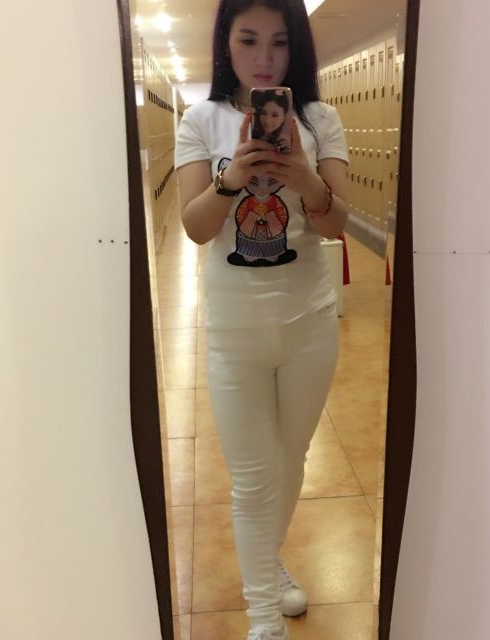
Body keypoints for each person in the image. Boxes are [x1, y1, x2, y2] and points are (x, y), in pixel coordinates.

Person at [174, 1, 349, 638]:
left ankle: (268, 564)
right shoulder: (200, 120)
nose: (265, 58)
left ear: (296, 46)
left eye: (279, 42)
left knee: (291, 459)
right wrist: (230, 182)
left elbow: (334, 224)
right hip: (234, 330)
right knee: (253, 478)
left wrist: (303, 175)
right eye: (249, 40)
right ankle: (263, 619)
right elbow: (195, 229)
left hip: (309, 322)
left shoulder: (320, 120)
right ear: (226, 43)